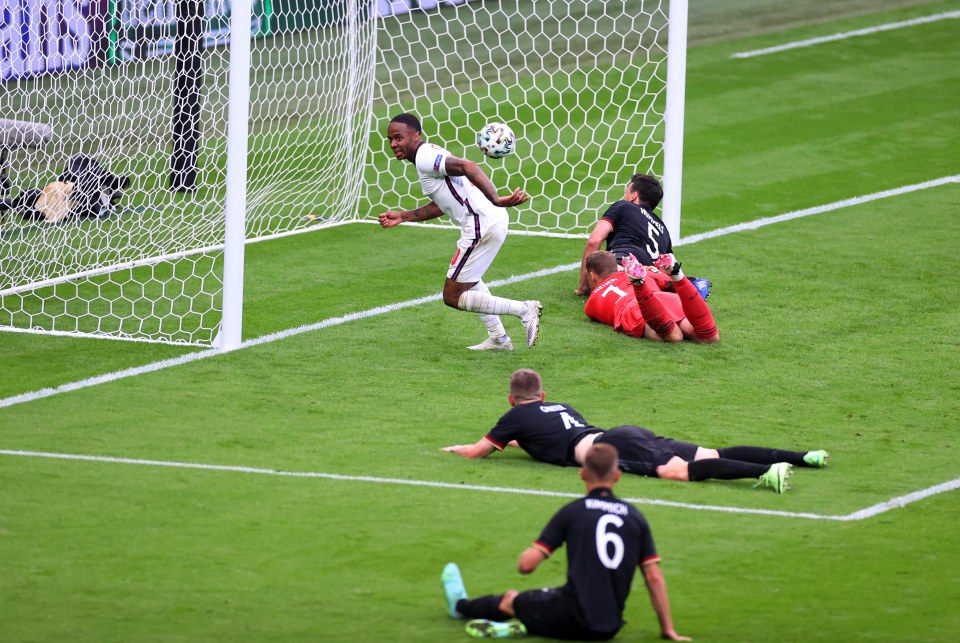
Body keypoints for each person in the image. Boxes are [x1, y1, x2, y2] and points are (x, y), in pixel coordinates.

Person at [441, 443, 690, 640]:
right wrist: (668, 630)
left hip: (573, 614)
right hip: (609, 627)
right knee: (548, 603)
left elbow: (526, 566)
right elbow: (654, 577)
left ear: (582, 473)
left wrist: (534, 549)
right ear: (617, 475)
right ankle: (529, 625)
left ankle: (461, 607)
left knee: (510, 600)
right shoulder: (635, 517)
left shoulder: (573, 512)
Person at [442, 369, 829, 493]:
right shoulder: (558, 407)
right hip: (625, 432)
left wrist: (455, 451)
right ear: (542, 395)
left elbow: (480, 451)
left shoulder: (514, 418)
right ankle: (803, 457)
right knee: (709, 453)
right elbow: (538, 435)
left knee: (673, 471)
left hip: (611, 449)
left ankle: (765, 473)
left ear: (511, 400)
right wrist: (511, 441)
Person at [377, 113, 542, 350]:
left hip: (480, 222)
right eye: (390, 139)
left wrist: (496, 198)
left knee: (452, 296)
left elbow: (469, 166)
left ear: (416, 136)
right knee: (469, 280)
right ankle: (498, 338)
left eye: (398, 138)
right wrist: (404, 216)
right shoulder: (429, 156)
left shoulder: (425, 156)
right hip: (488, 220)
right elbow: (442, 204)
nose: (393, 144)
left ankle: (524, 310)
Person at [584, 250, 719, 343]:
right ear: (616, 267)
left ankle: (638, 284)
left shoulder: (591, 304)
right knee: (709, 338)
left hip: (633, 309)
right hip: (663, 297)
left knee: (675, 336)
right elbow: (667, 282)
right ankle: (678, 274)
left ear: (592, 276)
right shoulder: (644, 272)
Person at [575, 173, 672, 296]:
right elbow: (668, 268)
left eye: (626, 192)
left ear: (633, 196)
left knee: (602, 262)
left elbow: (594, 241)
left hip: (623, 267)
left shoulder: (623, 206)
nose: (624, 196)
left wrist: (584, 287)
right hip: (654, 280)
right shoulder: (663, 229)